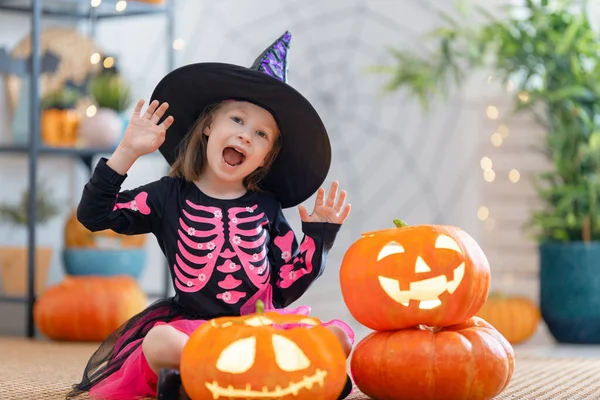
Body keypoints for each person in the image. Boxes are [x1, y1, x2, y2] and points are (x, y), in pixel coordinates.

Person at [66, 31, 355, 400]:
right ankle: (260, 373)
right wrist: (127, 151)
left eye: (261, 134)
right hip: (193, 331)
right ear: (207, 127)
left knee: (339, 335)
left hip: (258, 329)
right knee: (158, 342)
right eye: (236, 120)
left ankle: (205, 379)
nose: (246, 136)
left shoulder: (267, 208)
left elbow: (284, 287)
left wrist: (318, 236)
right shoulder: (166, 196)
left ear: (267, 156)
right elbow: (95, 215)